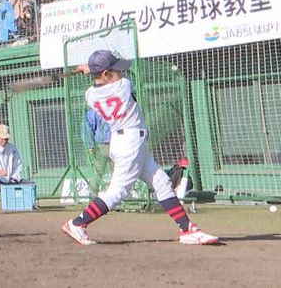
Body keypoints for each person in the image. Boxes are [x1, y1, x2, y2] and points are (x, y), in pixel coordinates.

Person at [61, 50, 219, 246]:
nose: (121, 72)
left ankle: (186, 229)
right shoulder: (124, 86)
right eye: (115, 70)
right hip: (129, 144)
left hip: (129, 143)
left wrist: (93, 71)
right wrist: (91, 68)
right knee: (117, 193)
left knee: (162, 183)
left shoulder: (90, 95)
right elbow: (116, 79)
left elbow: (102, 82)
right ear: (106, 73)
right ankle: (78, 223)